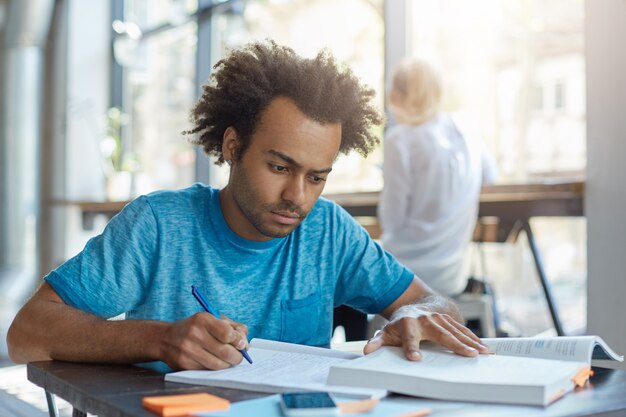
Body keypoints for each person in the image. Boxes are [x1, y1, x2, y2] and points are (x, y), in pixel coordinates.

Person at [7, 42, 489, 371]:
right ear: (233, 147)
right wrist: (159, 339)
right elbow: (27, 333)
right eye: (280, 168)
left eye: (316, 177)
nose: (297, 198)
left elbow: (434, 302)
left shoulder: (328, 230)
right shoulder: (158, 225)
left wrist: (414, 316)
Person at [378, 57, 498, 298]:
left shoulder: (399, 139)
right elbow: (491, 176)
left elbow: (391, 220)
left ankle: (364, 336)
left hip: (405, 274)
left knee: (346, 273)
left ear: (399, 97)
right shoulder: (466, 128)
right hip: (452, 275)